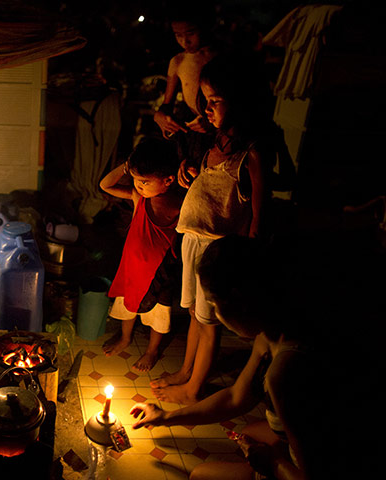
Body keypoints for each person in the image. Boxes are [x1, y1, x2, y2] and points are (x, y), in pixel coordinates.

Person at [130, 235, 325, 480]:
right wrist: (165, 417)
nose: (212, 313)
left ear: (237, 300)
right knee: (252, 432)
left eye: (212, 303)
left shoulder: (286, 369)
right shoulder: (269, 335)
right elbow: (235, 397)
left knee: (200, 475)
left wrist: (273, 464)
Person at [150, 53, 270, 404]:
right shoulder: (215, 143)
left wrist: (249, 254)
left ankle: (193, 388)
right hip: (194, 239)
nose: (208, 109)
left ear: (240, 102)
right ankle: (186, 372)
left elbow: (259, 212)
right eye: (206, 101)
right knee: (193, 313)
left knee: (209, 320)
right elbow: (208, 184)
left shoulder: (252, 152)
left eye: (215, 101)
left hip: (217, 249)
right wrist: (190, 171)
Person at [98, 138, 184, 371]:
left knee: (159, 312)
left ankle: (152, 350)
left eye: (144, 181)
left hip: (159, 271)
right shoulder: (140, 198)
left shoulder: (178, 205)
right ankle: (125, 338)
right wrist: (126, 168)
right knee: (128, 302)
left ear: (168, 180)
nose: (138, 186)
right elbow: (105, 185)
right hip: (132, 266)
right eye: (135, 180)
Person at [153, 3, 218, 174]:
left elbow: (238, 102)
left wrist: (214, 124)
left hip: (219, 132)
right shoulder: (178, 62)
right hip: (192, 132)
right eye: (178, 35)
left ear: (206, 26)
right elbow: (167, 104)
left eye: (190, 33)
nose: (184, 41)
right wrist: (160, 116)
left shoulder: (222, 58)